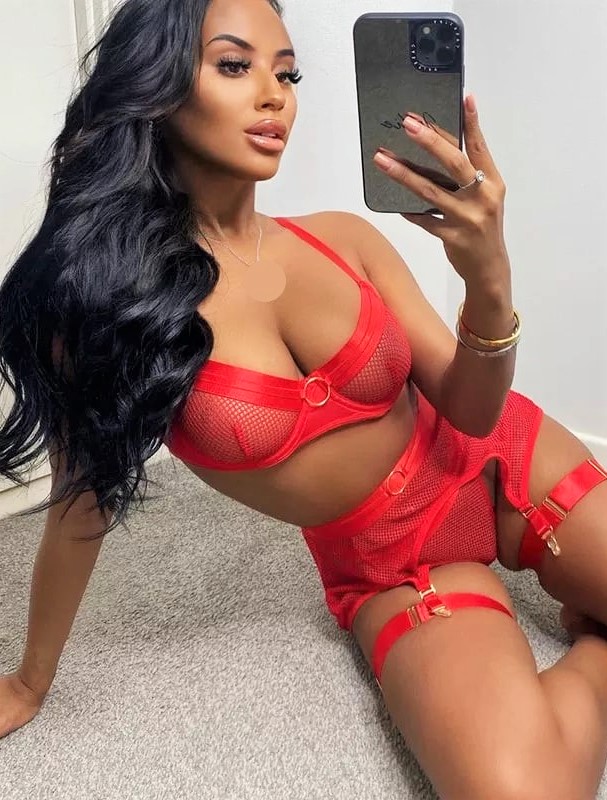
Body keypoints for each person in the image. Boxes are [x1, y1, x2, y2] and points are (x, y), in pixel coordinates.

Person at [1, 0, 606, 797]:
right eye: (234, 65)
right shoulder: (109, 312)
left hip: (502, 466)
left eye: (286, 75)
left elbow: (472, 413)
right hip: (391, 564)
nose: (273, 95)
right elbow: (81, 502)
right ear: (156, 85)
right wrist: (31, 679)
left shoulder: (343, 238)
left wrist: (487, 280)